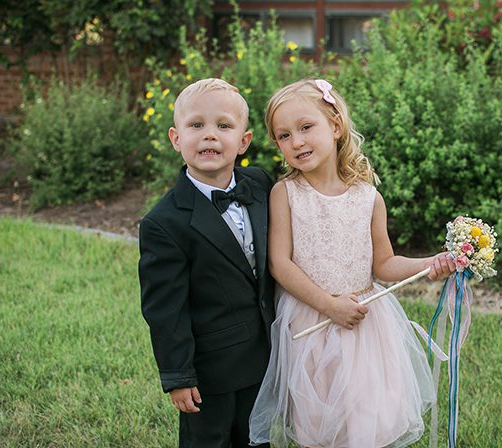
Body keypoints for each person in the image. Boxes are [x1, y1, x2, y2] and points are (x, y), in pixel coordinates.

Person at [248, 79, 456, 447]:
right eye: (283, 135)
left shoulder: (368, 198)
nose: (296, 141)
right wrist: (329, 305)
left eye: (306, 127)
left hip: (364, 324)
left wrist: (431, 262)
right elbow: (280, 265)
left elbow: (386, 263)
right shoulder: (286, 194)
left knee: (366, 420)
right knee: (319, 424)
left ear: (336, 125)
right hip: (312, 321)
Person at [137, 78, 276, 448]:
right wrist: (178, 374)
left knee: (257, 437)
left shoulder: (259, 184)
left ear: (244, 142)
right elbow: (165, 308)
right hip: (210, 371)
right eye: (196, 125)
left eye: (224, 126)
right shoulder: (164, 222)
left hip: (265, 355)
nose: (210, 136)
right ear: (176, 138)